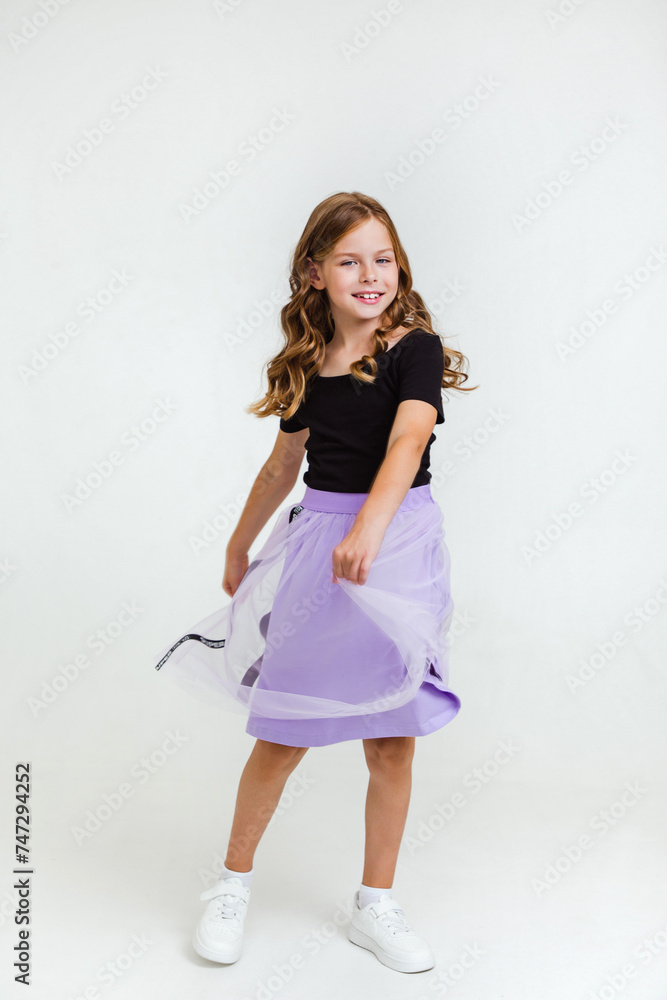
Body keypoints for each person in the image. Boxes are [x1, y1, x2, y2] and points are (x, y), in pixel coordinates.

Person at [153, 191, 476, 974]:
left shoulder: (413, 346)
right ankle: (230, 885)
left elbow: (408, 436)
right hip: (317, 549)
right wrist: (240, 544)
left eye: (382, 257)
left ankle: (376, 903)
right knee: (282, 732)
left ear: (398, 265)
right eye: (348, 260)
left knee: (391, 742)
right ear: (313, 275)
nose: (370, 274)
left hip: (394, 544)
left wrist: (370, 527)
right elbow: (282, 465)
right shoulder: (306, 362)